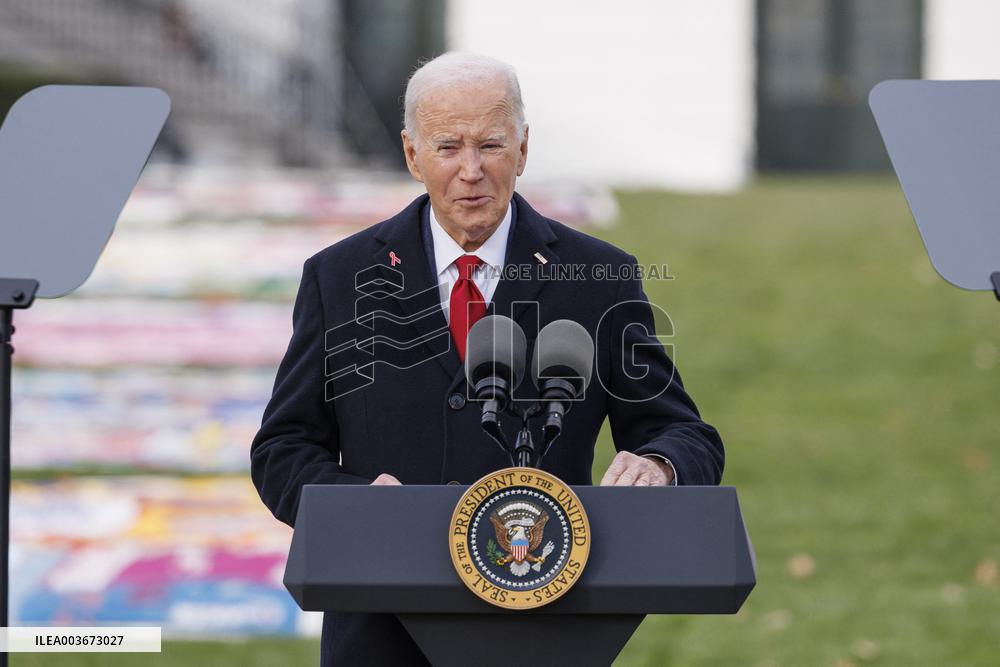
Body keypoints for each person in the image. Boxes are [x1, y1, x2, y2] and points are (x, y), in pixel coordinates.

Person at [251, 52, 724, 666]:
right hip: (380, 635)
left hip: (545, 626)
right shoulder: (338, 277)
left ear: (523, 150)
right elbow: (282, 449)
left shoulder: (599, 280)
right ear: (411, 154)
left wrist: (661, 464)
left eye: (490, 145)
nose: (470, 171)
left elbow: (684, 432)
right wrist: (356, 501)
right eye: (448, 147)